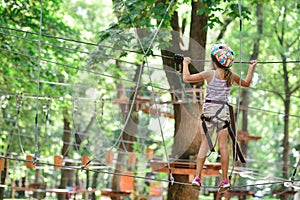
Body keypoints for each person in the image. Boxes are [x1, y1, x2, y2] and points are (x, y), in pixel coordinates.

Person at [182, 44, 258, 193]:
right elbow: (247, 83)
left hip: (209, 111)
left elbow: (186, 78)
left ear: (213, 62)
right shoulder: (231, 76)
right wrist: (251, 68)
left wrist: (185, 63)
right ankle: (224, 180)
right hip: (223, 111)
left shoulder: (208, 74)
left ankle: (197, 177)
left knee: (205, 144)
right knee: (223, 146)